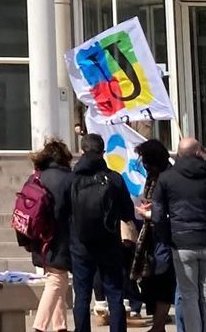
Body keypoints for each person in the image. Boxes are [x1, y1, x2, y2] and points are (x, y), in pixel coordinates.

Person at [153, 138, 206, 332]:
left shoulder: (167, 178)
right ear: (198, 152)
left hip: (182, 242)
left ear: (178, 153)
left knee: (188, 295)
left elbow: (158, 213)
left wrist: (167, 237)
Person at [70, 133, 135, 332]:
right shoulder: (114, 179)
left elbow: (63, 211)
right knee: (115, 294)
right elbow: (127, 212)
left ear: (82, 151)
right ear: (103, 152)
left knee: (81, 296)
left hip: (80, 244)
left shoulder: (72, 180)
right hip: (109, 243)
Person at [30, 137, 74, 332]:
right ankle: (39, 327)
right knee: (56, 280)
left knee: (57, 279)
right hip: (60, 236)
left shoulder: (36, 177)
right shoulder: (68, 178)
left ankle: (60, 326)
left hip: (38, 235)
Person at [130, 140, 174, 332]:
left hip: (165, 236)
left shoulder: (169, 177)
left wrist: (152, 213)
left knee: (162, 279)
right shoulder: (153, 176)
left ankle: (158, 325)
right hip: (150, 236)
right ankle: (158, 324)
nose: (144, 165)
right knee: (151, 281)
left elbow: (171, 210)